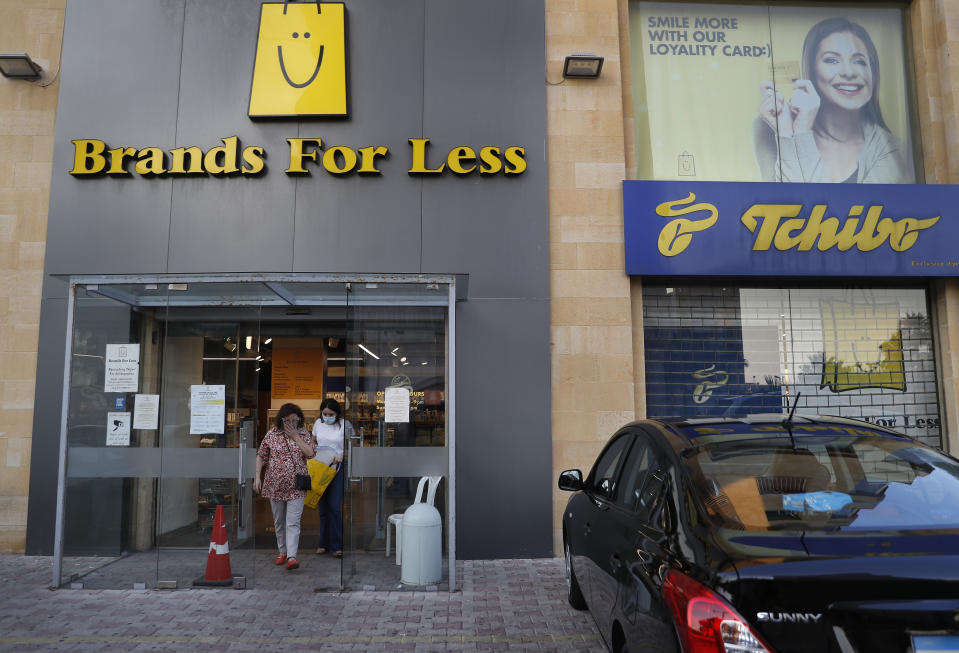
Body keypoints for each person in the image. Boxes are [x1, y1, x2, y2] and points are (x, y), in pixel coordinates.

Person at [754, 17, 912, 183]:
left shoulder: (892, 150)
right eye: (832, 60)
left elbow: (824, 204)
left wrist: (800, 134)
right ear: (811, 69)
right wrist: (786, 132)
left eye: (859, 61)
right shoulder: (768, 128)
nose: (848, 72)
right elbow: (785, 202)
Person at [254, 403, 315, 571]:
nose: (291, 423)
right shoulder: (272, 434)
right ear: (280, 420)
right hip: (275, 485)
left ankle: (292, 556)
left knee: (293, 522)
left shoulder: (303, 433)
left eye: (295, 420)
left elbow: (310, 453)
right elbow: (261, 455)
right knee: (279, 521)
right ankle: (282, 551)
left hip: (297, 486)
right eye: (287, 420)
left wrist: (296, 437)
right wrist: (257, 477)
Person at [312, 397, 353, 558]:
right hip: (320, 467)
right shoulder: (317, 424)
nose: (327, 417)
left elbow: (354, 447)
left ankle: (337, 545)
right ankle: (323, 543)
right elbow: (313, 442)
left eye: (331, 414)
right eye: (325, 414)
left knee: (334, 507)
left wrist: (343, 454)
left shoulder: (345, 425)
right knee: (322, 508)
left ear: (337, 413)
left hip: (337, 469)